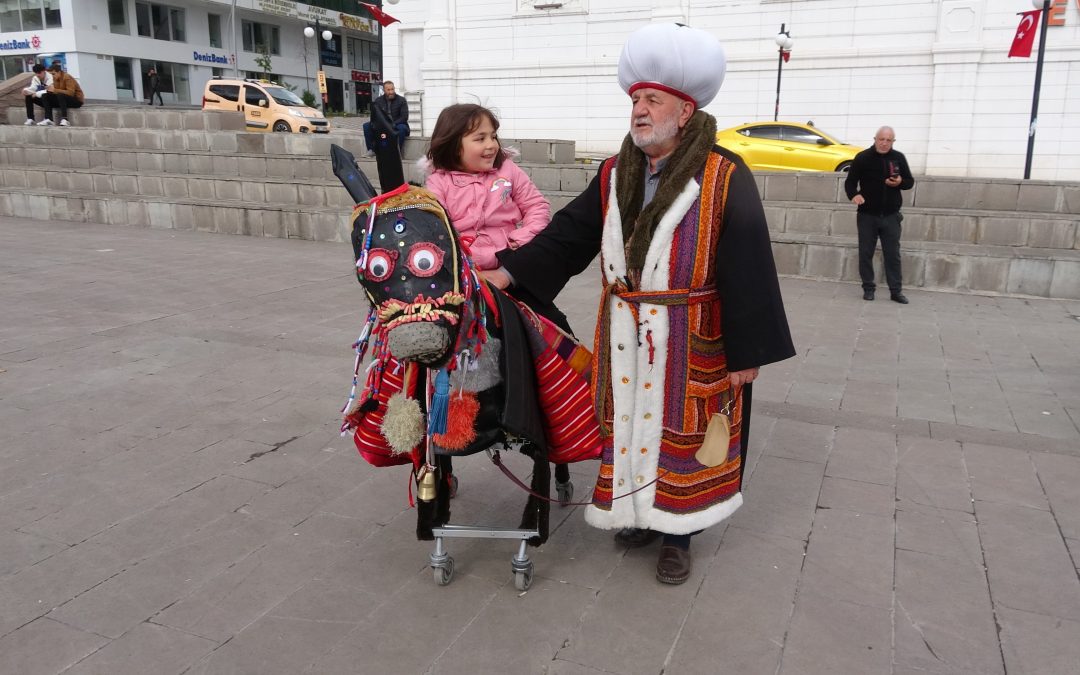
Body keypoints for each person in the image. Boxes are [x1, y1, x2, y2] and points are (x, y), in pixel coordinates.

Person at [487, 23, 796, 585]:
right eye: (636, 99)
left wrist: (747, 352)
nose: (640, 110)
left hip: (694, 333)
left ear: (685, 110)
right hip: (626, 331)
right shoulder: (614, 172)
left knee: (687, 433)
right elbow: (569, 235)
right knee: (627, 424)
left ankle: (680, 533)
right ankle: (636, 511)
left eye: (653, 100)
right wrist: (507, 273)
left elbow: (750, 266)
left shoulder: (725, 175)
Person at [423, 104, 551, 275]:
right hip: (462, 271)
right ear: (453, 145)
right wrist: (456, 256)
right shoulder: (438, 182)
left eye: (493, 136)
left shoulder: (508, 170)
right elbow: (435, 228)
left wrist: (522, 239)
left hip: (510, 263)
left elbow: (536, 205)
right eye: (480, 139)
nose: (492, 145)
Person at [844, 126, 914, 304]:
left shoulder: (898, 157)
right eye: (881, 139)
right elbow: (850, 182)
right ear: (875, 139)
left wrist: (899, 182)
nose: (884, 143)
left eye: (888, 140)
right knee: (865, 253)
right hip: (867, 215)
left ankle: (895, 291)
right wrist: (855, 195)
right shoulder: (862, 157)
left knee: (893, 254)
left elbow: (909, 182)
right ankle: (868, 288)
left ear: (893, 142)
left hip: (891, 216)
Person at [363, 81, 409, 156]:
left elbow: (404, 117)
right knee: (366, 126)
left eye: (392, 89)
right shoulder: (378, 101)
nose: (391, 92)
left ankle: (396, 151)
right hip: (383, 126)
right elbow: (375, 116)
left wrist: (392, 124)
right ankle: (372, 150)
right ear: (384, 90)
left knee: (402, 128)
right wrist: (379, 124)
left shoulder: (402, 100)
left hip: (397, 125)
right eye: (388, 90)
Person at [43, 62, 84, 127]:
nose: (52, 76)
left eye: (53, 74)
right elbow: (56, 91)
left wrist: (55, 90)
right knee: (45, 96)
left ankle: (65, 119)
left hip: (76, 101)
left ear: (59, 72)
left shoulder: (67, 77)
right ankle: (49, 119)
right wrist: (50, 91)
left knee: (60, 95)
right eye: (51, 74)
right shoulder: (55, 78)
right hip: (63, 99)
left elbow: (71, 93)